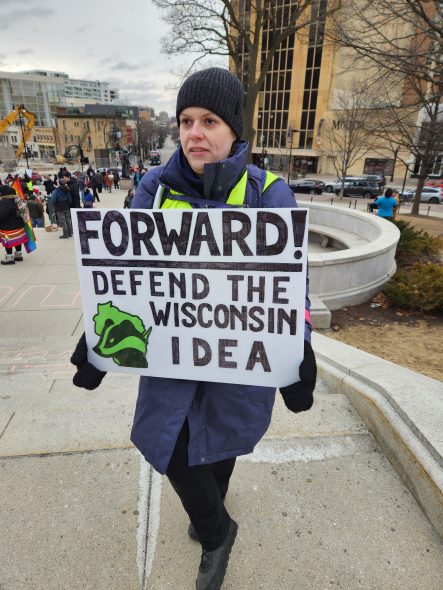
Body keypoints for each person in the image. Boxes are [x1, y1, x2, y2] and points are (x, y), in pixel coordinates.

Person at [70, 67, 316, 590]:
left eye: (208, 120)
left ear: (234, 130)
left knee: (223, 443)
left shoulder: (268, 192)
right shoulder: (154, 189)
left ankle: (210, 508)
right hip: (169, 355)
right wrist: (94, 342)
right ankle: (216, 529)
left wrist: (301, 350)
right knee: (174, 447)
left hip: (238, 359)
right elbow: (123, 279)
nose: (194, 132)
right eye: (185, 120)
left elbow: (293, 287)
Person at [0, 184, 27, 264]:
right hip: (19, 225)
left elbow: (2, 214)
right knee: (17, 240)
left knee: (8, 242)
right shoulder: (17, 199)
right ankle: (18, 255)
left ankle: (9, 258)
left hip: (8, 226)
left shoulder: (5, 201)